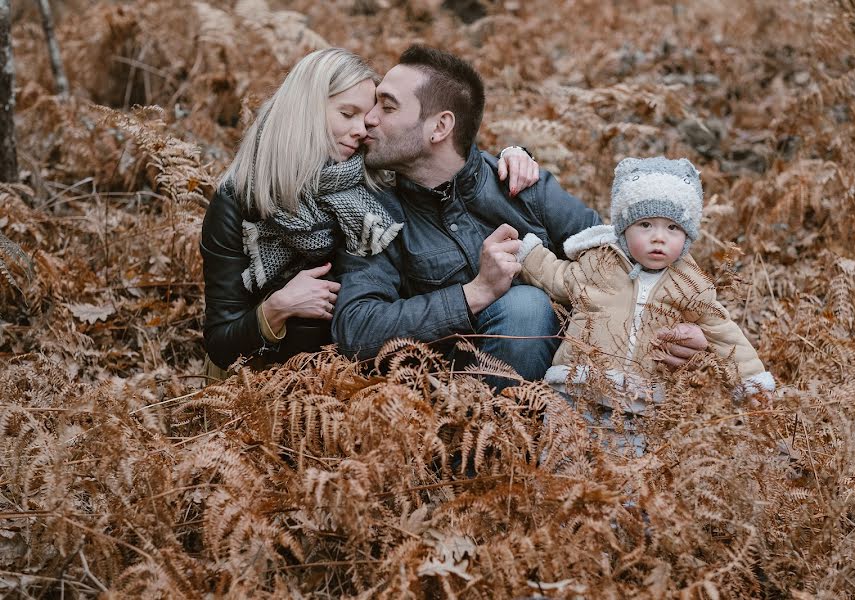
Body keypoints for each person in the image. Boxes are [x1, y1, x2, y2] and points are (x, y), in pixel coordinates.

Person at [332, 46, 710, 389]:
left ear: (440, 127)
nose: (368, 119)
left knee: (526, 306)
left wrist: (693, 327)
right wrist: (474, 293)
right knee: (522, 304)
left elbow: (630, 253)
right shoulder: (373, 212)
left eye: (388, 106)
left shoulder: (521, 186)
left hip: (558, 385)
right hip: (439, 396)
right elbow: (356, 328)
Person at [200, 48, 537, 377]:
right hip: (267, 390)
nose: (362, 129)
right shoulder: (240, 201)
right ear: (304, 111)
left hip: (366, 380)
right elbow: (220, 343)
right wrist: (276, 308)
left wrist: (511, 157)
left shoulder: (373, 178)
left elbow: (440, 159)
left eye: (366, 117)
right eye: (347, 114)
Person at [516, 156, 775, 451]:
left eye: (673, 228)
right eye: (646, 224)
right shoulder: (599, 263)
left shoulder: (690, 283)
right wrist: (527, 253)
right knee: (564, 460)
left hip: (638, 403)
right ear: (624, 228)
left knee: (626, 477)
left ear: (688, 235)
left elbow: (725, 333)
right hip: (575, 387)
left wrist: (752, 382)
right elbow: (558, 277)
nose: (658, 238)